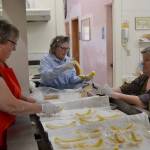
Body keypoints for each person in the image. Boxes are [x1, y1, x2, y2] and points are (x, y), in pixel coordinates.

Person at [0, 20, 61, 150]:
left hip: (8, 128)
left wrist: (30, 100)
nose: (14, 48)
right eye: (13, 43)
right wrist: (41, 108)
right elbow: (10, 105)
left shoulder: (2, 63)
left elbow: (11, 92)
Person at [98, 47, 150, 112]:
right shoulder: (144, 77)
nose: (142, 63)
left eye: (147, 60)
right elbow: (127, 88)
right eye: (143, 60)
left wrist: (115, 95)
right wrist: (107, 90)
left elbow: (142, 102)